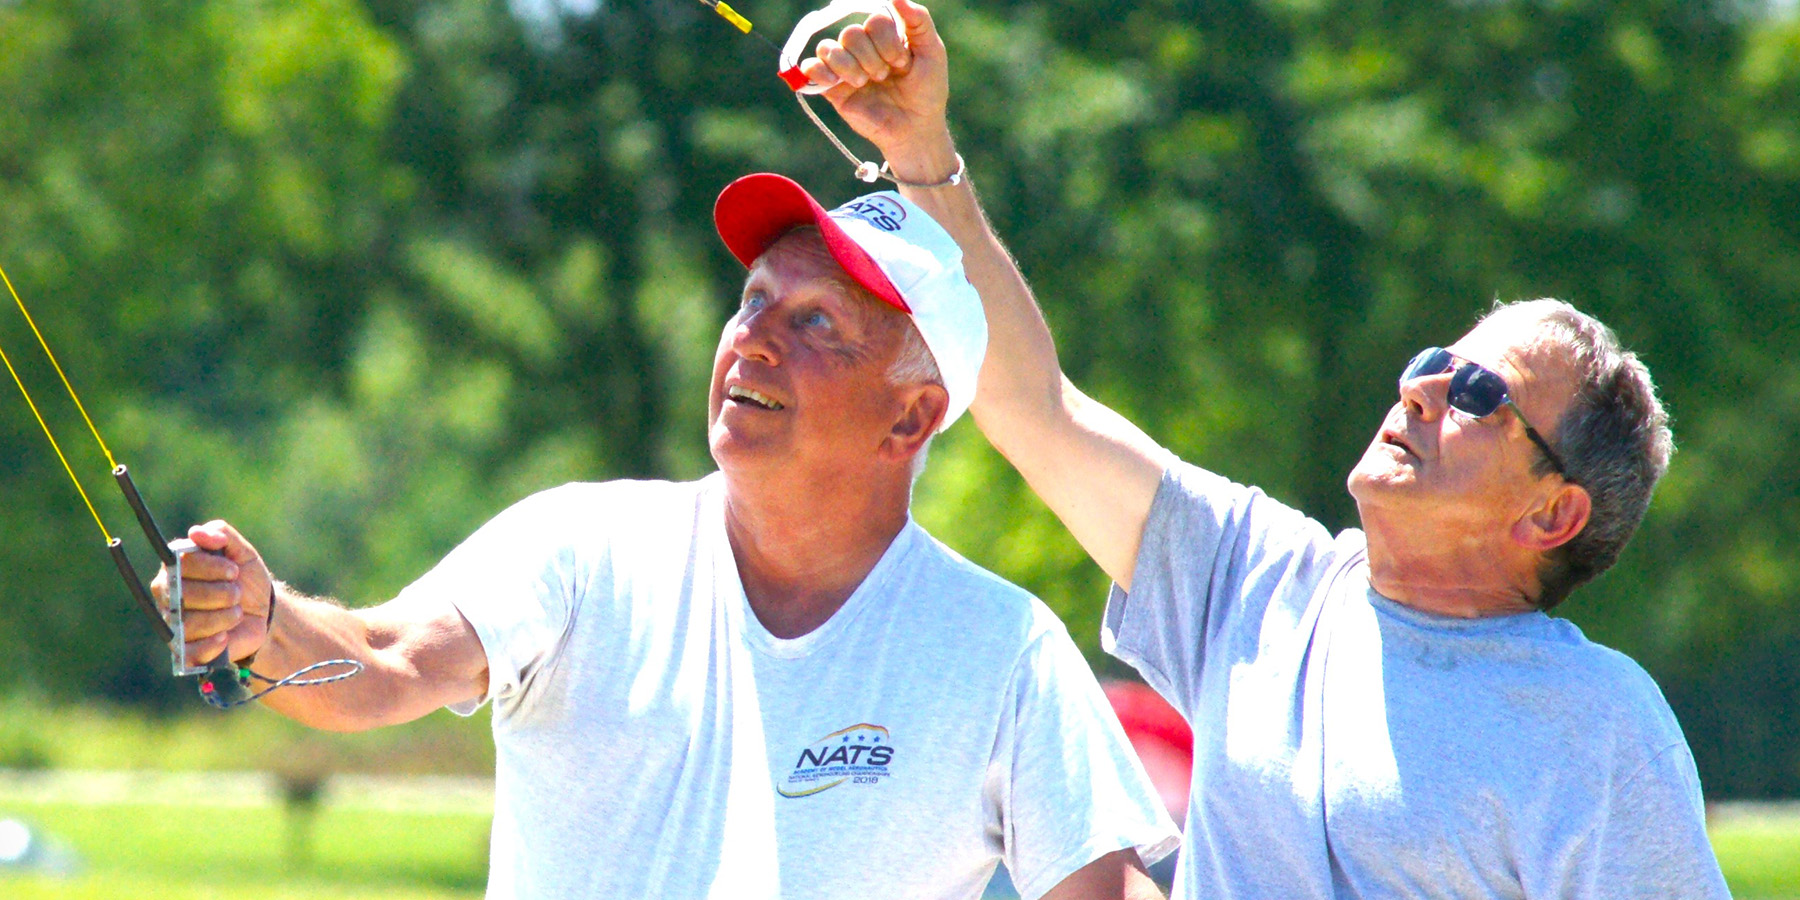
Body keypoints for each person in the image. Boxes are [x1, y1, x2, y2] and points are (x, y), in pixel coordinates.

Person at [800, 2, 1732, 896]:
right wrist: (921, 153)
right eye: (1437, 361)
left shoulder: (1599, 725)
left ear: (1554, 512)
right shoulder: (1259, 579)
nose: (1422, 387)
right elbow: (1034, 409)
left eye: (1480, 395)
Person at [155, 171, 1178, 898]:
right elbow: (386, 665)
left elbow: (1106, 887)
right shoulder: (581, 547)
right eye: (755, 300)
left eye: (818, 321)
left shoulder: (1002, 649)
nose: (755, 340)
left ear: (911, 418)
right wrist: (264, 618)